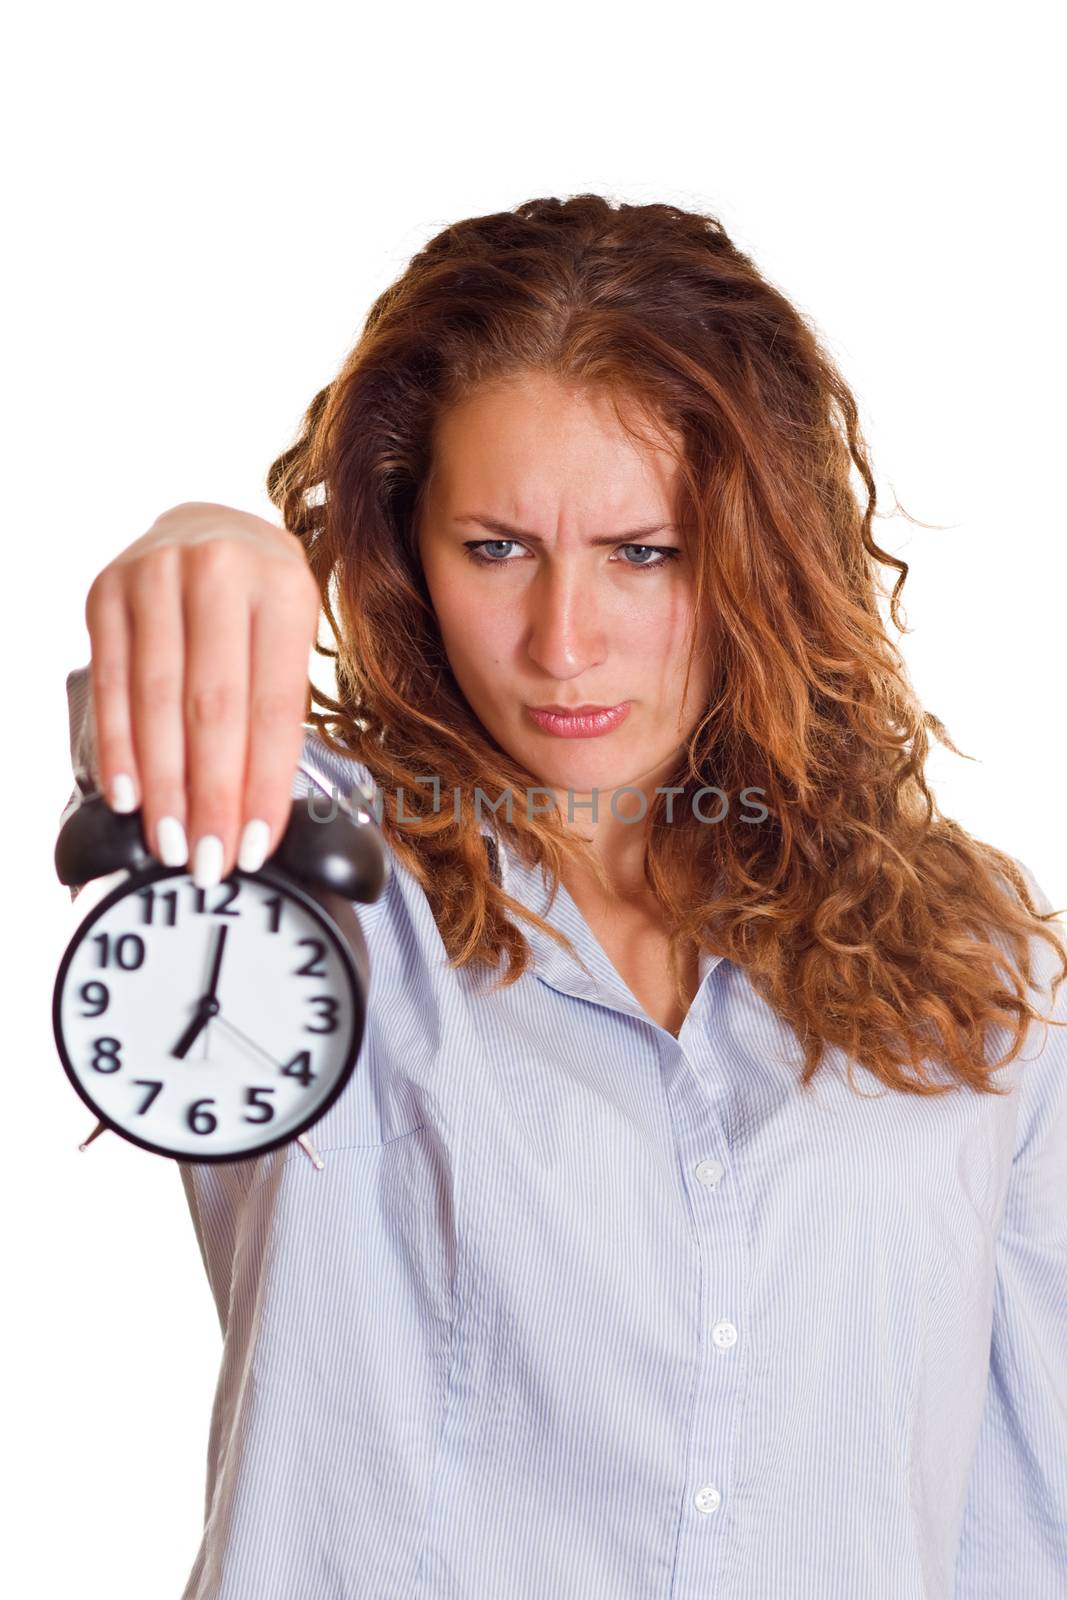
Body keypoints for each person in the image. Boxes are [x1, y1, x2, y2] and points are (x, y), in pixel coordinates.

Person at [59, 194, 1067, 1599]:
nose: (565, 642)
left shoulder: (981, 973)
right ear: (405, 550)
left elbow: (1023, 1518)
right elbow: (164, 784)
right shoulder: (326, 893)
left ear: (759, 554)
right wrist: (207, 546)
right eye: (497, 549)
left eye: (641, 553)